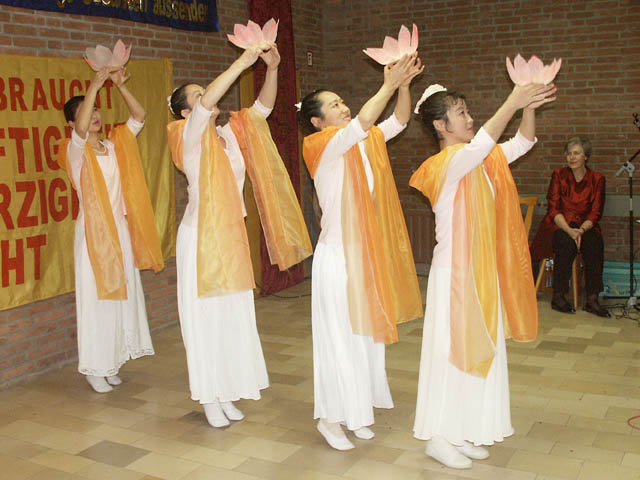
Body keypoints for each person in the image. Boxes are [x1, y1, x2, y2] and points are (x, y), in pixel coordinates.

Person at [410, 80, 556, 468]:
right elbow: (481, 145)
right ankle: (438, 436)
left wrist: (528, 106)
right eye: (461, 113)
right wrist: (513, 99)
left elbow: (522, 142)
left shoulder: (480, 160)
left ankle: (459, 430)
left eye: (468, 111)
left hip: (480, 274)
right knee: (450, 356)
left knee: (478, 353)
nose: (470, 118)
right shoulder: (446, 164)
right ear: (440, 125)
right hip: (455, 276)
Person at [167, 43, 311, 428]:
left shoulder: (229, 133)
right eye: (198, 95)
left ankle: (227, 390)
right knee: (205, 319)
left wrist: (272, 68)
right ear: (186, 112)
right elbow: (205, 106)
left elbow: (262, 109)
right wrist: (243, 62)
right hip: (202, 239)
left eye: (205, 91)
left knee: (231, 317)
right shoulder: (186, 136)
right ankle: (209, 395)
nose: (206, 97)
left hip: (230, 238)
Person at [299, 52, 424, 451]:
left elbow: (398, 120)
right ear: (317, 120)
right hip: (337, 258)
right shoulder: (321, 145)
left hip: (363, 256)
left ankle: (356, 411)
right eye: (333, 104)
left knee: (365, 339)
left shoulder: (361, 143)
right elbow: (364, 121)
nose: (343, 106)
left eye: (341, 101)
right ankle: (330, 418)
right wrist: (388, 83)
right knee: (339, 339)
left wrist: (403, 85)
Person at [57, 67, 164, 394]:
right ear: (72, 124)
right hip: (94, 234)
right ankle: (94, 367)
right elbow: (81, 130)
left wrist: (119, 85)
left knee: (121, 298)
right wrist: (94, 84)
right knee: (97, 300)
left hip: (119, 229)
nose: (94, 117)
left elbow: (139, 116)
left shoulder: (115, 144)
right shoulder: (75, 151)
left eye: (96, 111)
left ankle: (112, 361)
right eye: (85, 113)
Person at [530, 138, 609, 317]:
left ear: (586, 157)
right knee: (565, 243)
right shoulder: (558, 175)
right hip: (559, 224)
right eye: (569, 153)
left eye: (576, 153)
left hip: (585, 226)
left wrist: (580, 231)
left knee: (594, 243)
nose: (571, 157)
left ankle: (592, 298)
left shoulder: (598, 179)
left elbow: (596, 213)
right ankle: (558, 295)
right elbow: (553, 208)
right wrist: (570, 231)